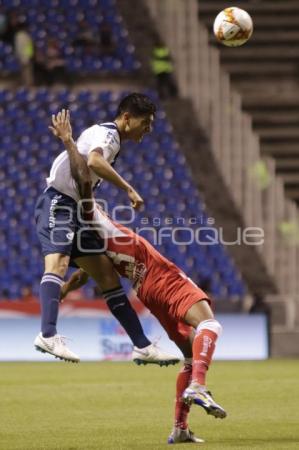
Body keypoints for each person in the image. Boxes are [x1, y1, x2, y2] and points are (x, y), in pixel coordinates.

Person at [52, 109, 227, 444]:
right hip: (161, 275)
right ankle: (200, 387)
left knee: (190, 353)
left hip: (146, 289)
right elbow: (89, 171)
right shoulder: (87, 209)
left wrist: (64, 290)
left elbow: (89, 275)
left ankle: (180, 427)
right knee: (210, 324)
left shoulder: (94, 238)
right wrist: (69, 142)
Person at [34, 95, 178, 367]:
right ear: (126, 118)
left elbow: (88, 171)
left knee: (106, 274)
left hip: (76, 208)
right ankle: (48, 334)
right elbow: (94, 162)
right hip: (58, 201)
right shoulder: (108, 135)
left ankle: (142, 346)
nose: (148, 129)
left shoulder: (108, 137)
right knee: (58, 262)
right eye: (145, 123)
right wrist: (128, 188)